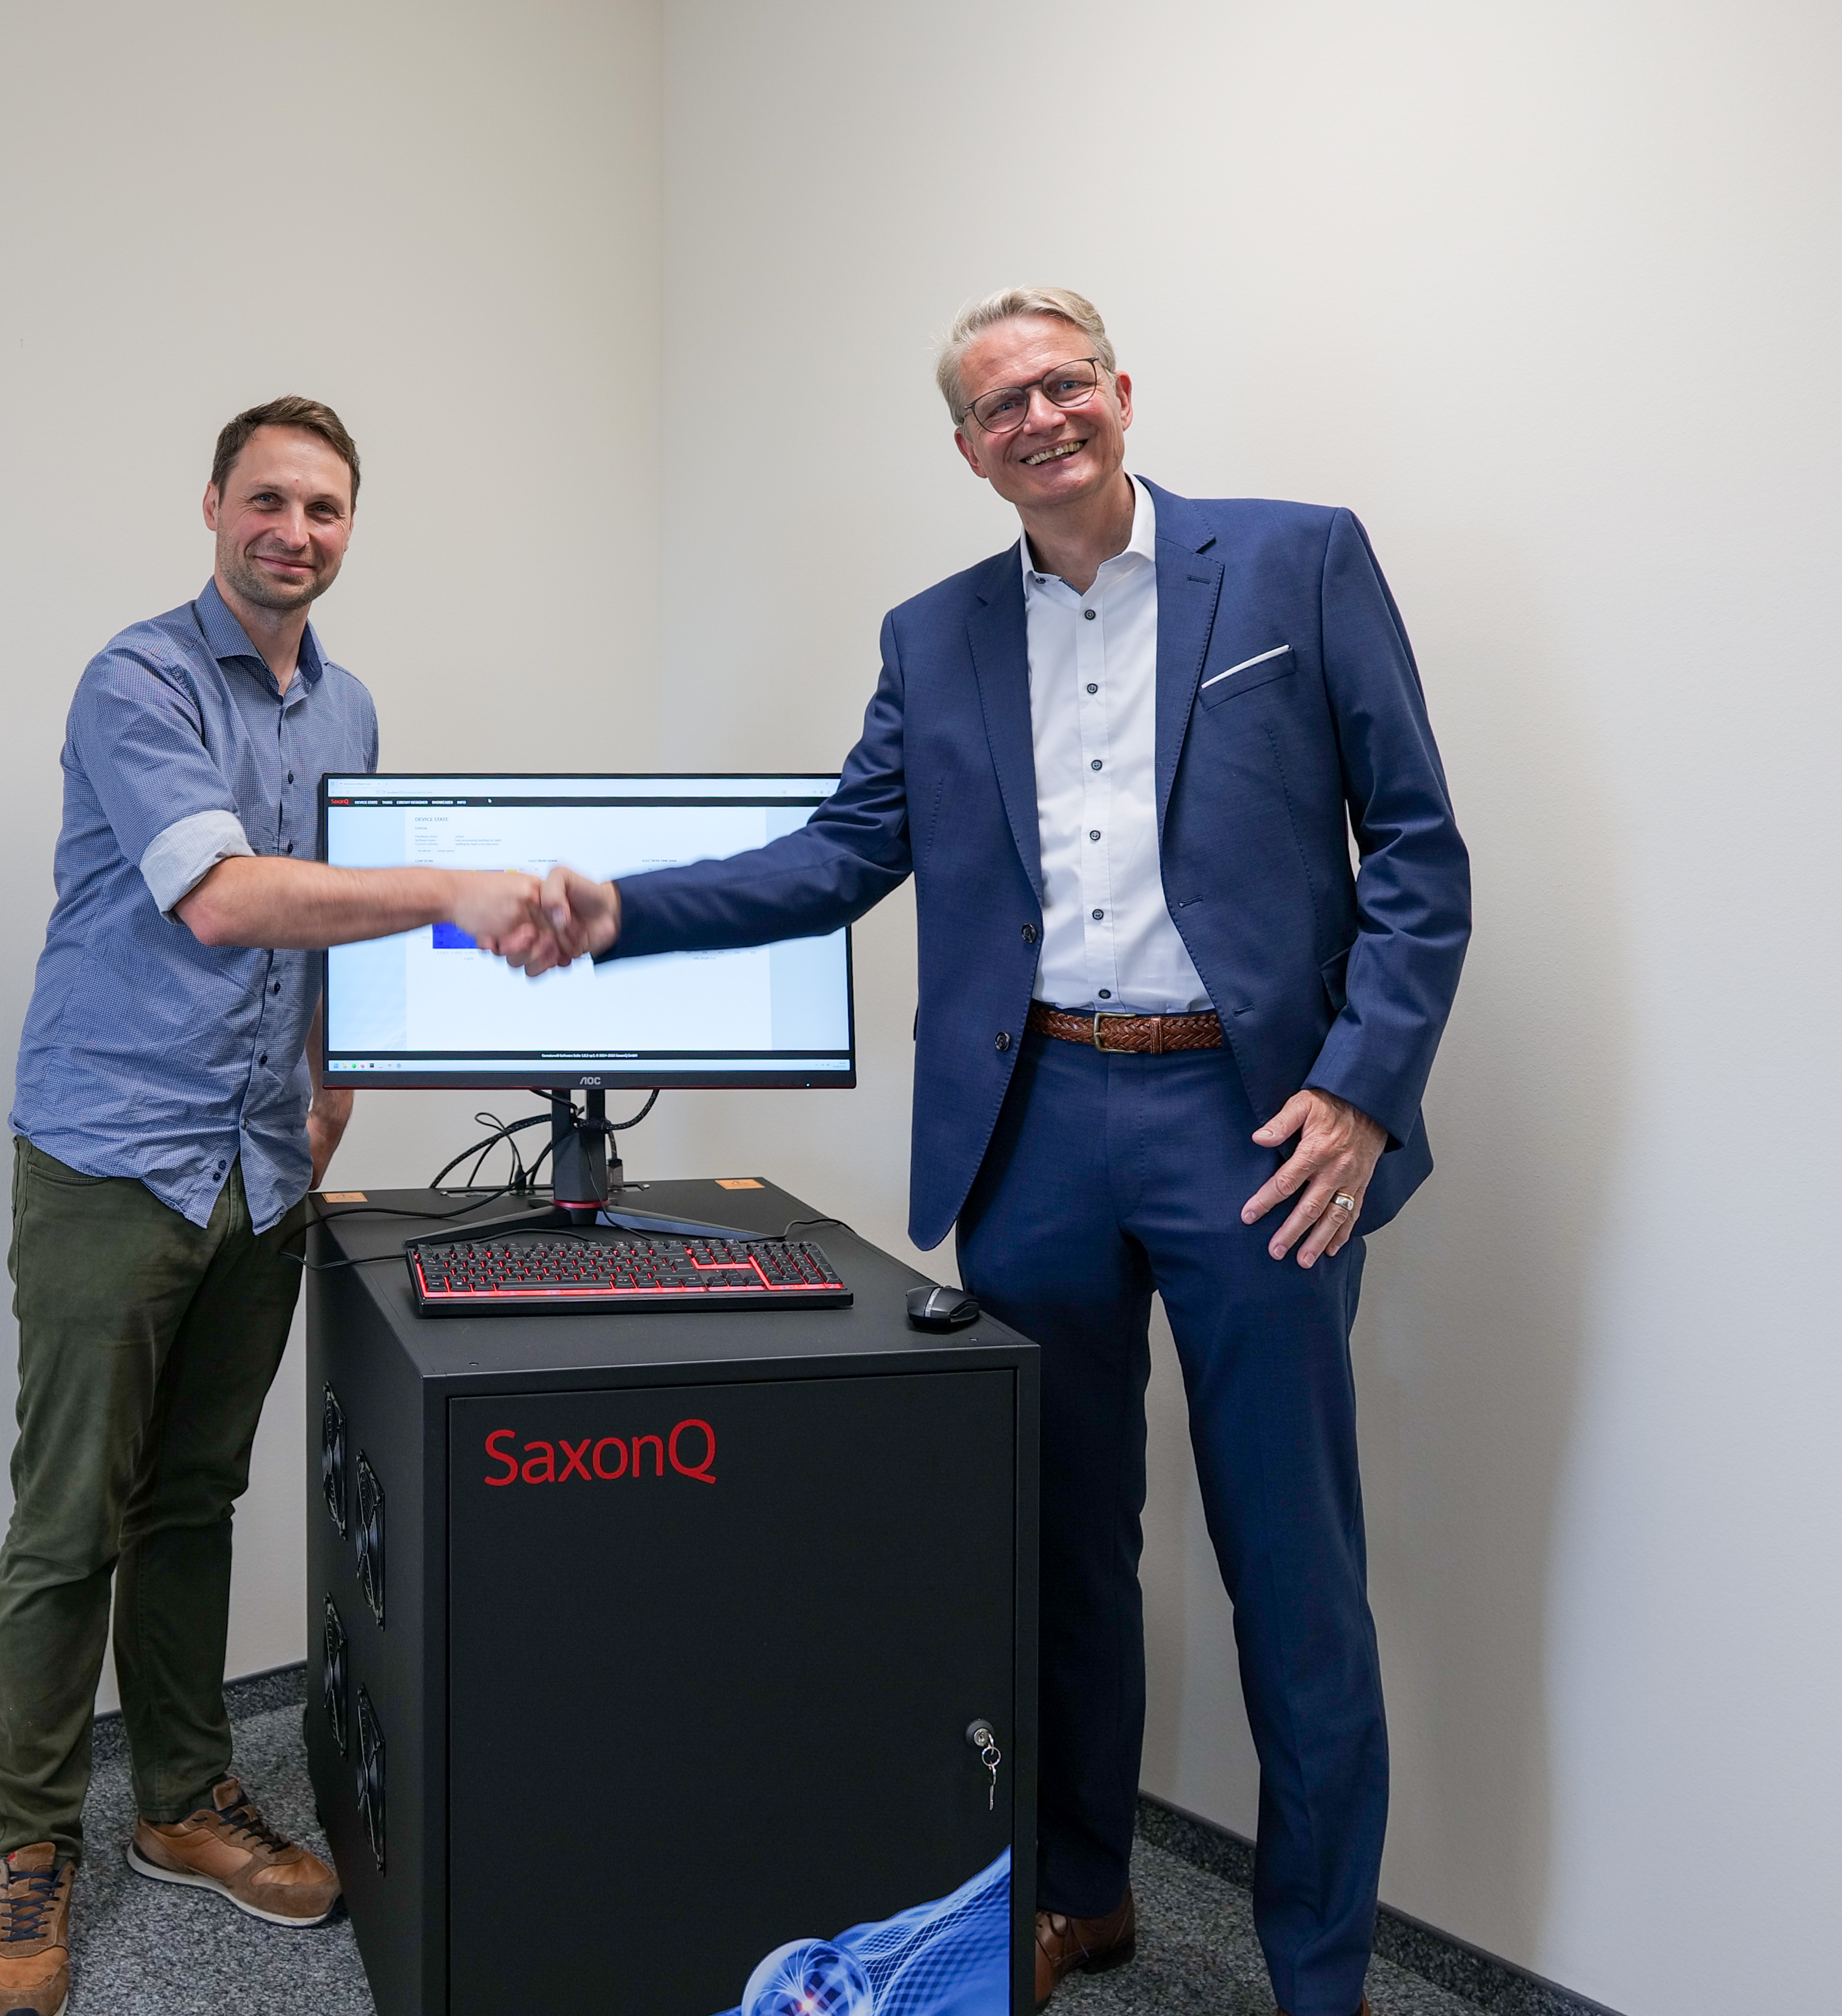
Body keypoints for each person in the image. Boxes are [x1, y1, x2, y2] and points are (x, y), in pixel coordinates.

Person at [536, 290, 1469, 2016]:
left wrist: (1359, 1091)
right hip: (1034, 1129)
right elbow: (837, 857)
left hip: (1252, 1126)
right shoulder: (935, 632)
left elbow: (1414, 845)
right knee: (1053, 1551)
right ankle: (1080, 1893)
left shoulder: (1293, 562)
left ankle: (1319, 1976)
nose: (1037, 418)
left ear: (1119, 391)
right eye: (998, 406)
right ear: (966, 450)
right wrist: (620, 914)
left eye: (1061, 384)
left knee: (1295, 1577)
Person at [0, 396, 563, 2016]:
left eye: (324, 509)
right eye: (268, 501)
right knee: (67, 1523)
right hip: (115, 1151)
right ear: (214, 508)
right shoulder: (139, 679)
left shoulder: (346, 703)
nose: (295, 533)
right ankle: (32, 1847)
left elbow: (322, 929)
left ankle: (179, 1801)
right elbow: (226, 899)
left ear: (349, 529)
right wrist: (455, 889)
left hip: (260, 1159)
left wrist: (334, 1075)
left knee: (195, 1499)